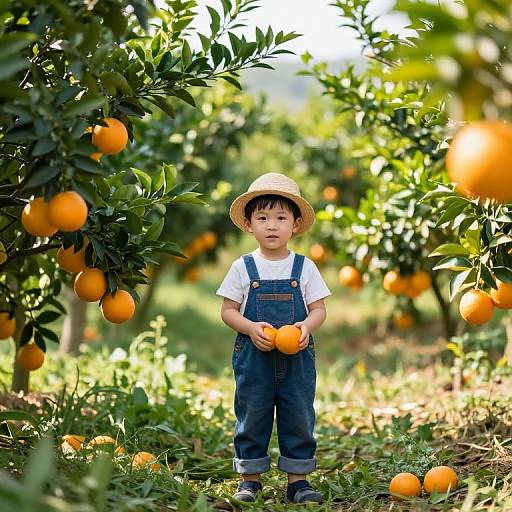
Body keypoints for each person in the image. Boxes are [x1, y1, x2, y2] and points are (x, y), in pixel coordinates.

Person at [216, 172, 331, 504]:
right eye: (262, 217)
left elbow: (319, 309)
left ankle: (298, 481)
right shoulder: (243, 267)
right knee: (253, 414)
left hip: (297, 358)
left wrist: (306, 327)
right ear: (249, 224)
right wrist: (251, 328)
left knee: (298, 414)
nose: (271, 225)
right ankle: (250, 479)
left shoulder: (305, 267)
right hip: (255, 359)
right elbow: (228, 310)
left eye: (280, 218)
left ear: (294, 225)